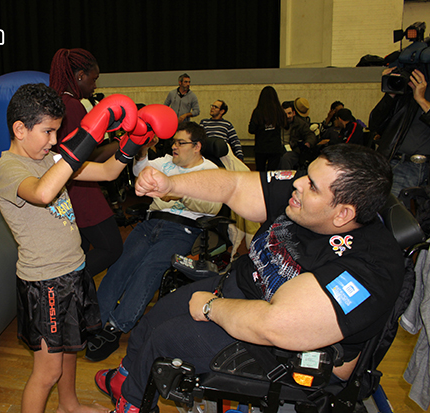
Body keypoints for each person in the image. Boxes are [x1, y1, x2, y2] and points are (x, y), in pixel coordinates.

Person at [95, 144, 404, 413]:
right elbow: (234, 186)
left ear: (343, 214)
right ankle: (128, 377)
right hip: (240, 289)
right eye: (306, 175)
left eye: (312, 186)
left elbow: (275, 324)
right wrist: (170, 184)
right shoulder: (308, 199)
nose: (297, 183)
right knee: (152, 320)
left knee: (163, 340)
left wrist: (210, 308)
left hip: (279, 348)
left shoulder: (369, 268)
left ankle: (133, 400)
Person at [0, 83, 171, 413]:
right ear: (19, 128)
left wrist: (133, 141)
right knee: (47, 372)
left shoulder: (50, 159)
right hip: (44, 282)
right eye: (47, 132)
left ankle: (69, 406)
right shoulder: (8, 169)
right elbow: (43, 193)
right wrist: (89, 132)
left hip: (74, 271)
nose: (52, 141)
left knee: (71, 348)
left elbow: (106, 171)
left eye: (57, 132)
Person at [86, 122, 222, 362]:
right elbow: (140, 172)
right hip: (150, 223)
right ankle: (95, 319)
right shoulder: (165, 162)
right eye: (174, 142)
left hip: (182, 228)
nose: (175, 146)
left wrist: (179, 193)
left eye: (181, 142)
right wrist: (142, 150)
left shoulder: (210, 171)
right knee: (120, 266)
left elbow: (213, 207)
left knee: (147, 271)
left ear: (197, 146)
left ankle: (115, 328)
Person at [49, 47, 123, 277]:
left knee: (78, 249)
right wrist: (127, 143)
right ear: (80, 76)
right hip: (79, 187)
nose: (95, 85)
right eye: (94, 79)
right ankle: (67, 284)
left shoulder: (60, 101)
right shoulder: (71, 106)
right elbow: (82, 157)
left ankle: (73, 302)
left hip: (67, 188)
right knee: (110, 247)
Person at [370, 68, 430, 197]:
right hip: (400, 165)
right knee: (394, 213)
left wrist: (421, 100)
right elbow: (375, 124)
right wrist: (390, 92)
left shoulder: (421, 96)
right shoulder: (404, 93)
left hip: (426, 169)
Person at [248, 86, 287, 171]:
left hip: (261, 147)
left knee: (260, 172)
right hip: (275, 147)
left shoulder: (258, 111)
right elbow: (286, 125)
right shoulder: (279, 111)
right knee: (272, 172)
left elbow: (251, 129)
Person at [278, 100, 317, 170]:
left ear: (294, 113)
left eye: (289, 113)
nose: (287, 116)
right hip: (279, 149)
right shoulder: (277, 123)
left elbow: (310, 135)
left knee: (286, 159)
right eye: (285, 114)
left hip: (293, 150)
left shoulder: (300, 124)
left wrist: (308, 143)